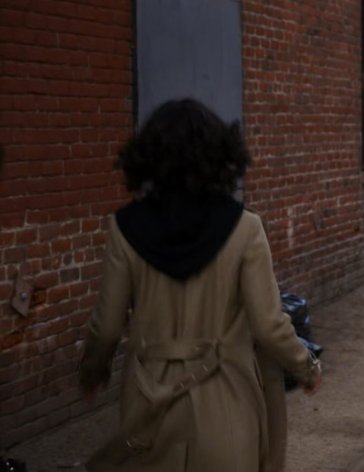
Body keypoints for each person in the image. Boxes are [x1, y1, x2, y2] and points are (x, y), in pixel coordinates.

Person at [77, 98, 322, 472]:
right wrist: (306, 368)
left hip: (148, 407)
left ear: (148, 158)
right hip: (227, 405)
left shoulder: (124, 228)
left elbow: (107, 326)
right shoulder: (245, 228)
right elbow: (269, 325)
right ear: (222, 157)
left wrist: (92, 373)